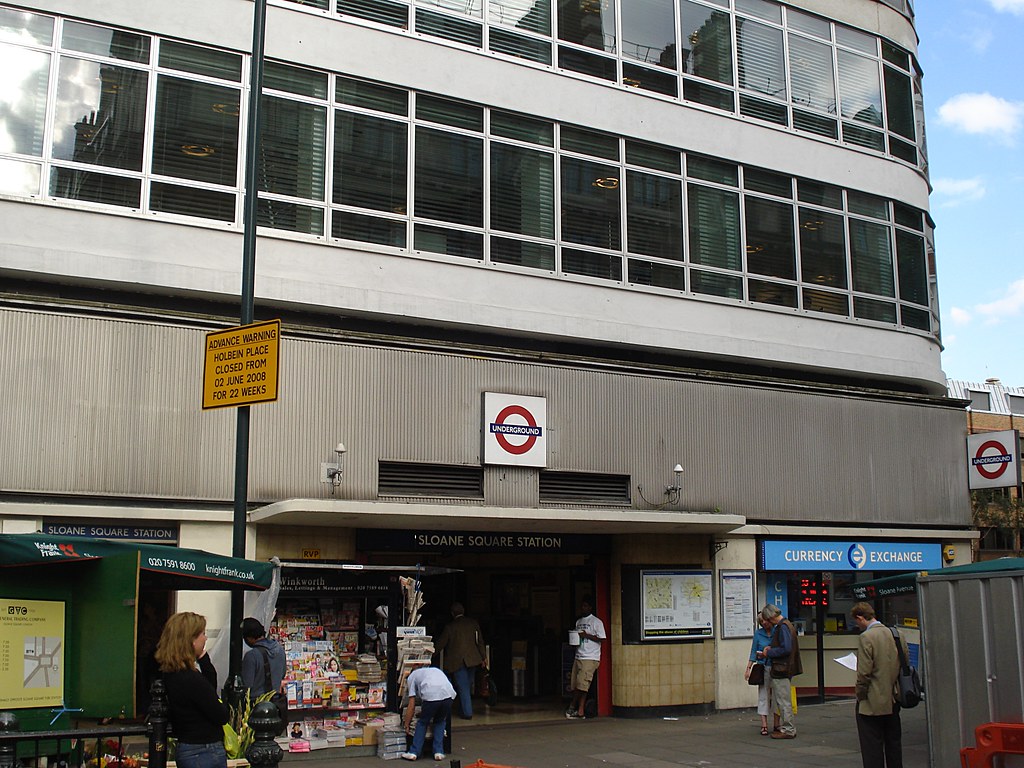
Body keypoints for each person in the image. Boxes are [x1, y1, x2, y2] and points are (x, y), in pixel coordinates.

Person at [154, 612, 229, 768]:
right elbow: (221, 715)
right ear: (191, 640)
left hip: (188, 744)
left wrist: (203, 658)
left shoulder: (171, 673)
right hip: (204, 749)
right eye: (202, 633)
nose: (206, 638)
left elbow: (209, 685)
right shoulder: (191, 678)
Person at [851, 602, 907, 768]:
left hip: (872, 699)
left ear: (861, 617)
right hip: (893, 696)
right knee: (893, 742)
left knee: (872, 746)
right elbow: (904, 663)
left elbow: (864, 672)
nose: (857, 625)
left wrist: (860, 694)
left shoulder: (867, 637)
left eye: (857, 621)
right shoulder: (897, 634)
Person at [434, 602, 487, 719]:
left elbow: (441, 644)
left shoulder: (450, 627)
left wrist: (431, 653)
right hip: (473, 659)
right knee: (467, 685)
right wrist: (484, 657)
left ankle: (467, 713)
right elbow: (480, 642)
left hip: (457, 661)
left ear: (452, 613)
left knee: (463, 687)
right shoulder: (473, 623)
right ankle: (464, 708)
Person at [758, 604, 799, 739]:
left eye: (767, 620)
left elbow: (785, 649)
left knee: (783, 700)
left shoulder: (782, 627)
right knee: (783, 699)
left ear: (771, 616)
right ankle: (788, 727)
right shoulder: (787, 625)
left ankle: (788, 729)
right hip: (786, 667)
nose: (768, 623)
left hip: (781, 668)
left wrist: (769, 652)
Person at [401, 664, 457, 762]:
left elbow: (411, 705)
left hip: (431, 696)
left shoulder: (411, 677)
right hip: (448, 695)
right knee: (440, 721)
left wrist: (406, 723)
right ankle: (438, 752)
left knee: (423, 722)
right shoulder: (434, 670)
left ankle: (414, 752)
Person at [566, 595, 606, 720]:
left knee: (582, 685)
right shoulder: (579, 622)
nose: (583, 608)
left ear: (590, 607)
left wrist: (586, 635)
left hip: (590, 657)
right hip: (579, 655)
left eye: (585, 606)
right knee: (575, 684)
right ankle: (576, 708)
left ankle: (578, 708)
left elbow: (602, 638)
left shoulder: (596, 622)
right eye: (582, 606)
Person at [746, 613, 778, 736]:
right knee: (763, 695)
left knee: (776, 696)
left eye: (766, 621)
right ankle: (764, 724)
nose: (764, 623)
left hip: (776, 667)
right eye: (761, 622)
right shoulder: (758, 634)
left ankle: (776, 723)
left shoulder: (777, 631)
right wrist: (748, 668)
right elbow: (753, 651)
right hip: (763, 666)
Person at [240, 617, 285, 699]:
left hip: (257, 703)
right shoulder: (280, 649)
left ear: (249, 638)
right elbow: (282, 674)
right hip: (275, 702)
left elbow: (247, 685)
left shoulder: (251, 656)